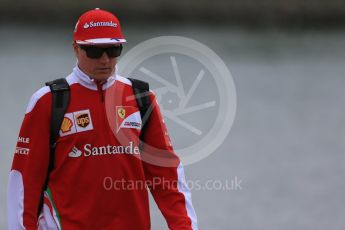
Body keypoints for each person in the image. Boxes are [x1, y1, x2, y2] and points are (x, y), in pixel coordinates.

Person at [7, 8, 198, 230]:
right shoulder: (47, 101)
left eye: (113, 49)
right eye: (94, 51)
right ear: (76, 49)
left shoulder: (141, 98)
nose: (105, 59)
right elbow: (24, 183)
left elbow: (168, 178)